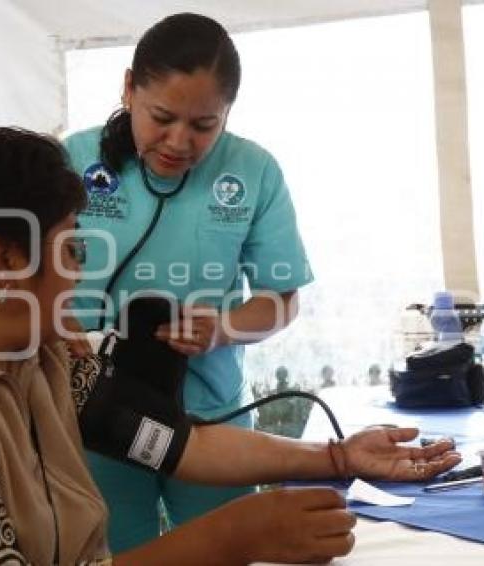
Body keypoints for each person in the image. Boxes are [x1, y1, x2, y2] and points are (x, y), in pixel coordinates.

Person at [0, 127, 460, 565]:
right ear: (3, 260)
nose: (80, 271)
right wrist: (226, 541)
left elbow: (169, 441)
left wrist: (335, 458)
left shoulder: (20, 353)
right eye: (69, 245)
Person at [63, 12, 312, 550]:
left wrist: (221, 329)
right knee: (111, 552)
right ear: (128, 89)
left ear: (227, 114)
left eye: (204, 126)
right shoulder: (72, 161)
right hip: (92, 410)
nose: (179, 141)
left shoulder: (253, 171)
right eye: (162, 117)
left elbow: (282, 300)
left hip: (209, 413)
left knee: (229, 548)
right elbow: (22, 279)